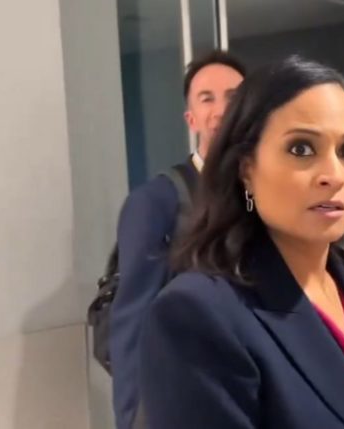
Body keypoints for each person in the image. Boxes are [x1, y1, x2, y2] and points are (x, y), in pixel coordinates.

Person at [138, 56, 344, 429]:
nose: (333, 175)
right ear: (246, 168)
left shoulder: (342, 281)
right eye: (301, 149)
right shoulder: (197, 315)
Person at [109, 50, 246, 429]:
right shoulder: (155, 202)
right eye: (207, 98)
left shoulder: (269, 195)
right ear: (191, 119)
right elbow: (132, 325)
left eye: (234, 98)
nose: (221, 110)